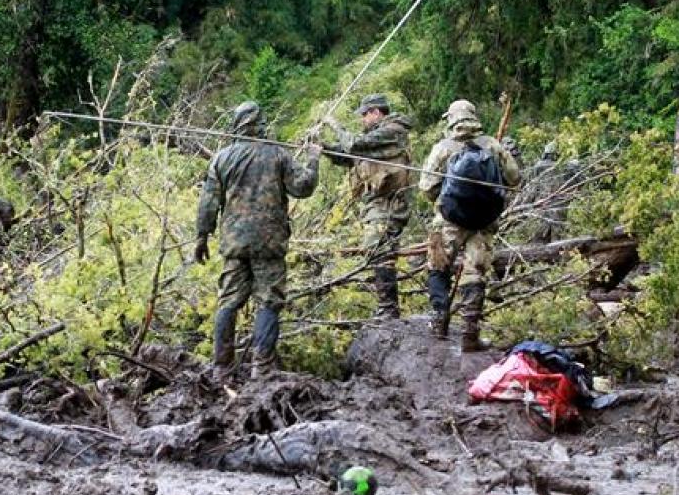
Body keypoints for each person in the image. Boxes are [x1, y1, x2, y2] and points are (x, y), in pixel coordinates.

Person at [195, 102, 320, 379]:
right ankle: (261, 368)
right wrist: (313, 158)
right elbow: (303, 187)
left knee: (228, 301)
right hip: (269, 243)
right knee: (269, 301)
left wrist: (202, 237)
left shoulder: (222, 158)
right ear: (261, 124)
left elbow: (208, 203)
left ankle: (221, 367)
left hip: (235, 243)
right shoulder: (278, 155)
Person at [418, 99, 522, 352]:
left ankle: (439, 323)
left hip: (449, 220)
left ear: (451, 119)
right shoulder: (492, 145)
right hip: (483, 222)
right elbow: (514, 179)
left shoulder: (443, 147)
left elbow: (426, 186)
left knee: (438, 266)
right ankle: (469, 335)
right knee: (475, 272)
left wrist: (445, 201)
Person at [321, 94, 413, 318]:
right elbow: (347, 155)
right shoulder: (375, 137)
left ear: (376, 112)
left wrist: (334, 125)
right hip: (376, 203)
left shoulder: (393, 131)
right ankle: (386, 306)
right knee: (377, 249)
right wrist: (321, 147)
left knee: (378, 248)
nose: (362, 120)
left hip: (391, 203)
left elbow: (353, 144)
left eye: (364, 115)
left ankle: (388, 308)